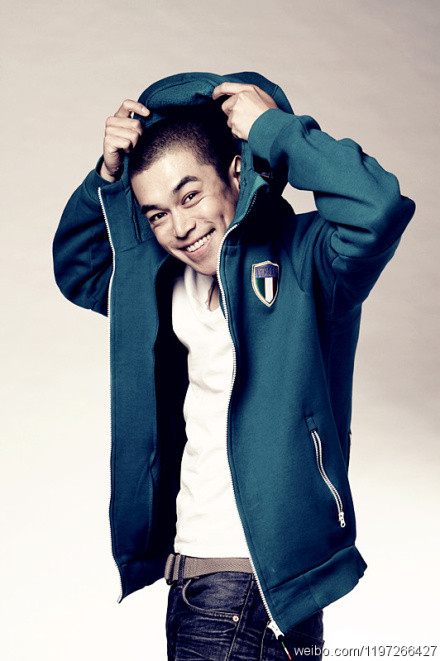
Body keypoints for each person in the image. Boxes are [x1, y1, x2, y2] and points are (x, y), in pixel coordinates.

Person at [52, 71, 416, 660]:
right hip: (201, 578)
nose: (180, 228)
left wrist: (275, 131)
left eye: (189, 196)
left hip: (253, 580)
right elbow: (80, 267)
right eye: (156, 214)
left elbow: (379, 208)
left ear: (237, 174)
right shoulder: (164, 285)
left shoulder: (308, 257)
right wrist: (107, 179)